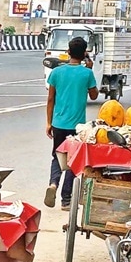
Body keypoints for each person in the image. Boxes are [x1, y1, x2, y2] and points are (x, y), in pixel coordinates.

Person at [45, 37, 98, 210]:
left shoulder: (56, 72)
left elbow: (51, 99)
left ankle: (53, 184)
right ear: (84, 54)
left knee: (57, 156)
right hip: (77, 127)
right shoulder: (87, 73)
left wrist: (48, 122)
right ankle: (66, 200)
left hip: (58, 123)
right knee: (73, 161)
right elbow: (94, 96)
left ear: (68, 52)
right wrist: (89, 66)